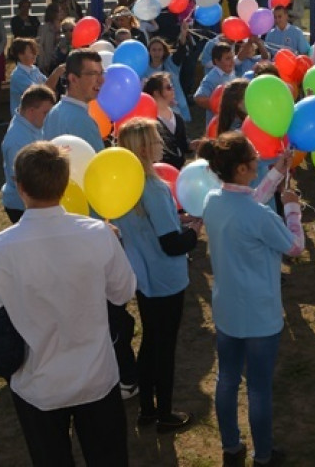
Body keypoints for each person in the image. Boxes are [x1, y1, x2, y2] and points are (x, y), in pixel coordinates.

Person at [0, 141, 136, 467]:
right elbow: (123, 292)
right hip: (95, 376)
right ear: (66, 184)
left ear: (20, 187)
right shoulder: (97, 234)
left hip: (38, 382)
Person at [198, 132, 304, 467]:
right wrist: (291, 209)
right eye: (256, 158)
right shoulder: (261, 217)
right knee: (258, 389)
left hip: (227, 309)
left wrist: (275, 175)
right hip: (260, 315)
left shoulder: (213, 201)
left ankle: (231, 446)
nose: (261, 161)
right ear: (243, 168)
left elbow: (248, 202)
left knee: (227, 379)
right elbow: (295, 246)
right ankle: (262, 456)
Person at [41, 49, 138, 398]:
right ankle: (122, 377)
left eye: (102, 73)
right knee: (109, 314)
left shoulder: (55, 113)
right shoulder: (79, 120)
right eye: (93, 74)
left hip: (65, 226)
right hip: (88, 229)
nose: (100, 80)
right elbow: (97, 181)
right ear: (73, 78)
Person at [115, 118, 202, 432]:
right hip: (166, 279)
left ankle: (147, 410)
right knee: (164, 348)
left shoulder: (124, 185)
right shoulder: (153, 187)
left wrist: (179, 217)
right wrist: (194, 232)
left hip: (143, 277)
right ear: (142, 148)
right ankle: (164, 413)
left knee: (150, 342)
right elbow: (171, 244)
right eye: (155, 140)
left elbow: (150, 226)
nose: (161, 144)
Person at [1, 85, 57, 224]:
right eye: (46, 113)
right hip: (23, 206)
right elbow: (21, 181)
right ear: (31, 111)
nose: (49, 117)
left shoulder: (30, 123)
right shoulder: (17, 141)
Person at [144, 73, 190, 169]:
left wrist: (193, 145)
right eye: (168, 87)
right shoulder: (149, 121)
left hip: (179, 172)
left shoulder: (177, 117)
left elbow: (183, 145)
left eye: (172, 86)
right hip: (160, 172)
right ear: (156, 92)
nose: (173, 89)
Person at [7, 38, 63, 116]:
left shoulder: (34, 69)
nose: (35, 54)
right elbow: (41, 94)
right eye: (31, 52)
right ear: (20, 55)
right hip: (24, 121)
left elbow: (49, 86)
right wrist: (57, 72)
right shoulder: (18, 76)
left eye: (34, 51)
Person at [145, 37, 191, 121]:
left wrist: (183, 35)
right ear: (149, 51)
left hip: (176, 106)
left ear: (164, 51)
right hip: (155, 108)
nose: (157, 53)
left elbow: (180, 52)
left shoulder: (170, 64)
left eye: (160, 50)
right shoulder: (144, 69)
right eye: (154, 50)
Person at [36, 3, 65, 74]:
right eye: (60, 11)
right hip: (46, 62)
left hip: (59, 62)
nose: (62, 12)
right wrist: (42, 64)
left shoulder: (64, 26)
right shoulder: (44, 27)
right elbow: (40, 46)